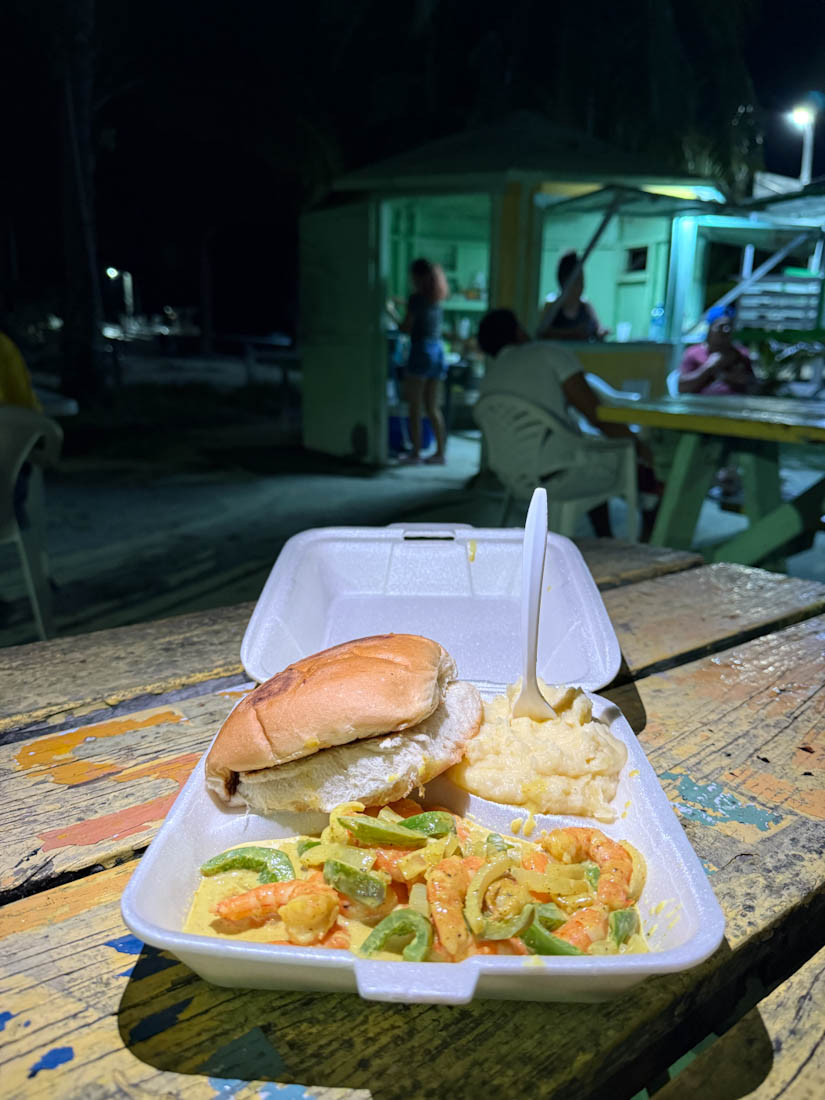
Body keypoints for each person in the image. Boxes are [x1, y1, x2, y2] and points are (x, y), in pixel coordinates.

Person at [477, 308, 660, 538]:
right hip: (558, 474)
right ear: (519, 332)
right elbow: (596, 415)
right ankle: (647, 540)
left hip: (511, 478)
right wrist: (639, 446)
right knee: (639, 465)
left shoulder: (489, 378)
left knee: (587, 455)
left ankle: (606, 538)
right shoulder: (550, 353)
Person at [395, 258, 449, 464]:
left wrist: (392, 311)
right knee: (432, 407)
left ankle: (415, 453)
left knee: (415, 406)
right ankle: (440, 454)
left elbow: (405, 328)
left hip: (421, 351)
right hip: (438, 351)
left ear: (416, 277)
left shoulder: (416, 299)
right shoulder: (437, 297)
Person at [678, 306, 757, 395]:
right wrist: (709, 366)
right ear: (710, 329)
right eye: (721, 327)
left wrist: (738, 379)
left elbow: (755, 388)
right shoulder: (693, 353)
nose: (726, 330)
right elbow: (682, 387)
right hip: (701, 406)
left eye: (729, 327)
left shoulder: (742, 354)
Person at [537, 251, 608, 342]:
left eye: (582, 279)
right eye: (577, 281)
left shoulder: (587, 308)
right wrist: (571, 333)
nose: (581, 285)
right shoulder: (550, 307)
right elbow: (542, 334)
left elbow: (598, 330)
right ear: (564, 281)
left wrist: (601, 333)